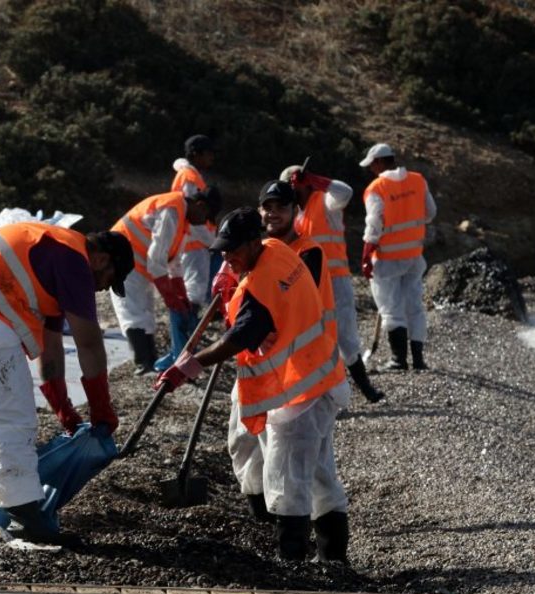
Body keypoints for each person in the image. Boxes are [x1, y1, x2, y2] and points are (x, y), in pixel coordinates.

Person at [0, 222, 132, 546]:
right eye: (108, 281)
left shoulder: (52, 254)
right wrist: (102, 408)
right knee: (11, 421)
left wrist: (63, 409)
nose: (101, 290)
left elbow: (51, 345)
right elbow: (88, 343)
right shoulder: (73, 259)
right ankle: (24, 513)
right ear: (102, 260)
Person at [160, 208, 351, 562]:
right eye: (221, 251)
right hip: (322, 377)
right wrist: (230, 277)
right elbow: (266, 308)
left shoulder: (261, 284)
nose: (226, 256)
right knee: (321, 476)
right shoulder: (277, 250)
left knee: (287, 482)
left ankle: (292, 562)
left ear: (252, 242)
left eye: (232, 250)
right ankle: (333, 560)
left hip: (299, 395)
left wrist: (189, 365)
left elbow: (239, 336)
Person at [280, 163, 384, 402]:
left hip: (336, 282)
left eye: (291, 188)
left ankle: (366, 390)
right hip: (308, 285)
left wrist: (316, 178)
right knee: (313, 337)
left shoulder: (325, 203)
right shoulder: (296, 215)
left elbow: (345, 192)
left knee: (346, 337)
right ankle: (322, 392)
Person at [111, 188, 220, 375]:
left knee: (145, 311)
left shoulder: (183, 221)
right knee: (132, 311)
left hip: (136, 263)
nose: (203, 223)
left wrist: (181, 294)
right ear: (200, 206)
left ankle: (150, 361)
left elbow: (174, 262)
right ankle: (144, 362)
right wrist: (170, 296)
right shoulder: (172, 209)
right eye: (205, 217)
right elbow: (156, 259)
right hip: (120, 259)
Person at [358, 143, 437, 371]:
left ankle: (398, 360)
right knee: (414, 306)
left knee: (391, 309)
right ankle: (419, 360)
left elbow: (373, 226)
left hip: (388, 259)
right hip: (414, 256)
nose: (371, 170)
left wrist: (365, 256)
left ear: (380, 162)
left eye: (372, 165)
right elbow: (430, 213)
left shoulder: (377, 188)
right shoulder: (417, 180)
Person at [170, 135, 217, 313]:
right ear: (197, 155)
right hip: (193, 243)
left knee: (192, 290)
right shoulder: (189, 177)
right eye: (208, 153)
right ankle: (186, 330)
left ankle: (186, 328)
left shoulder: (189, 175)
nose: (212, 157)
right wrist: (211, 241)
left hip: (191, 242)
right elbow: (192, 214)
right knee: (193, 293)